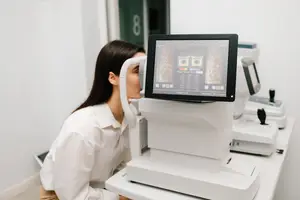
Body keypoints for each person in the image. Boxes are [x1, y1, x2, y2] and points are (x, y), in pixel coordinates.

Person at [40, 40, 146, 200]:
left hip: (97, 187)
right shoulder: (82, 129)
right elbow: (72, 195)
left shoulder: (128, 117)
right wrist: (120, 197)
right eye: (138, 71)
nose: (146, 78)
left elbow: (125, 163)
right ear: (113, 78)